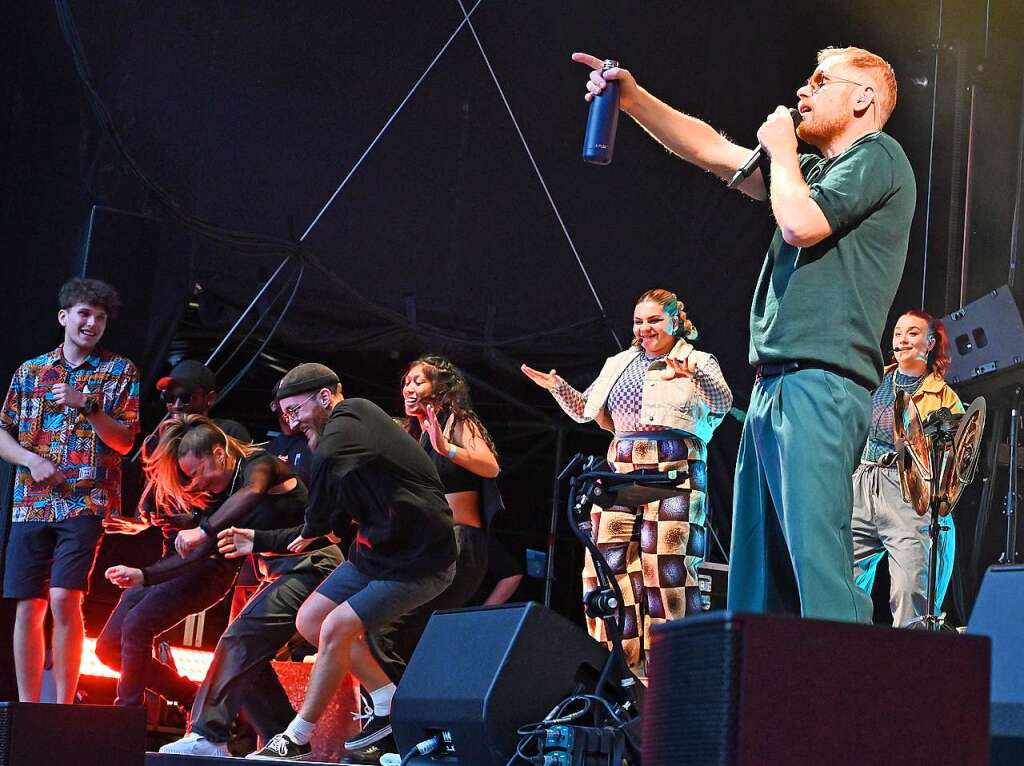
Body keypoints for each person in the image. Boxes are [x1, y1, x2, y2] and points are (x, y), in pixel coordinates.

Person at [573, 46, 915, 621]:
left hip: (822, 383)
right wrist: (632, 100)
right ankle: (770, 704)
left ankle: (849, 705)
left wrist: (782, 148)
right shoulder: (807, 175)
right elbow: (711, 149)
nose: (803, 91)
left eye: (819, 80)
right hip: (775, 385)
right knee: (762, 579)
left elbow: (801, 224)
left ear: (863, 98)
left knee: (819, 568)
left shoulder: (878, 155)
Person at [249, 363, 456, 760]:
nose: (291, 423)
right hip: (376, 553)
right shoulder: (347, 442)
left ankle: (298, 737)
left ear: (325, 397)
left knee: (336, 627)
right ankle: (387, 699)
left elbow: (326, 460)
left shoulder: (352, 414)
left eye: (296, 411)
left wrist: (314, 525)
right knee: (309, 621)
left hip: (420, 560)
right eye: (285, 414)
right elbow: (342, 486)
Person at [523, 289, 731, 677]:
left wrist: (695, 374)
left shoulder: (697, 359)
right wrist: (557, 388)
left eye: (653, 320)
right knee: (607, 564)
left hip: (675, 466)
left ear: (675, 321)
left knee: (665, 569)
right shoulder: (620, 362)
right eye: (639, 321)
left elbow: (722, 403)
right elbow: (586, 411)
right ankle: (618, 670)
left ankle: (671, 673)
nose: (644, 328)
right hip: (622, 466)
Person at [145, 414, 342, 758]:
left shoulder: (259, 466)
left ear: (219, 453)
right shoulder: (224, 496)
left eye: (197, 473)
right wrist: (143, 576)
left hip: (315, 564)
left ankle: (209, 735)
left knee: (240, 640)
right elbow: (199, 548)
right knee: (248, 656)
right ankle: (285, 741)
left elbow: (252, 493)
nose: (196, 484)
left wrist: (203, 529)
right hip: (286, 573)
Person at [0, 277, 139, 704]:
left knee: (64, 596)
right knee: (28, 603)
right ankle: (28, 707)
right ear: (64, 317)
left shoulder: (120, 371)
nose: (91, 323)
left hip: (86, 499)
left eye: (99, 318)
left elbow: (125, 441)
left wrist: (89, 405)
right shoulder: (31, 371)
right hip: (31, 502)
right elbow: (3, 431)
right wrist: (31, 460)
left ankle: (61, 704)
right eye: (84, 313)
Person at [97, 360, 253, 709]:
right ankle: (192, 699)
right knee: (108, 649)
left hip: (207, 563)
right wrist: (147, 521)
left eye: (185, 398)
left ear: (208, 398)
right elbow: (157, 498)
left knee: (137, 626)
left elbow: (229, 504)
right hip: (172, 559)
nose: (176, 406)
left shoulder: (226, 436)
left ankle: (125, 721)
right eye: (169, 399)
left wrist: (190, 521)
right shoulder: (164, 439)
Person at [367, 355, 501, 676]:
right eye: (406, 382)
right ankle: (407, 704)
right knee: (392, 629)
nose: (409, 388)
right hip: (424, 545)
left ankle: (398, 706)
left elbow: (490, 465)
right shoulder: (412, 434)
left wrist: (448, 450)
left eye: (419, 381)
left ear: (439, 387)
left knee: (389, 625)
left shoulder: (456, 422)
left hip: (457, 544)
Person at [851, 310, 963, 627]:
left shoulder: (944, 396)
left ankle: (909, 666)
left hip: (908, 489)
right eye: (899, 332)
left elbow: (953, 460)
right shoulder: (874, 378)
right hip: (864, 482)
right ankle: (841, 659)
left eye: (912, 333)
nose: (902, 339)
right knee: (843, 579)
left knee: (911, 587)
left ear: (930, 344)